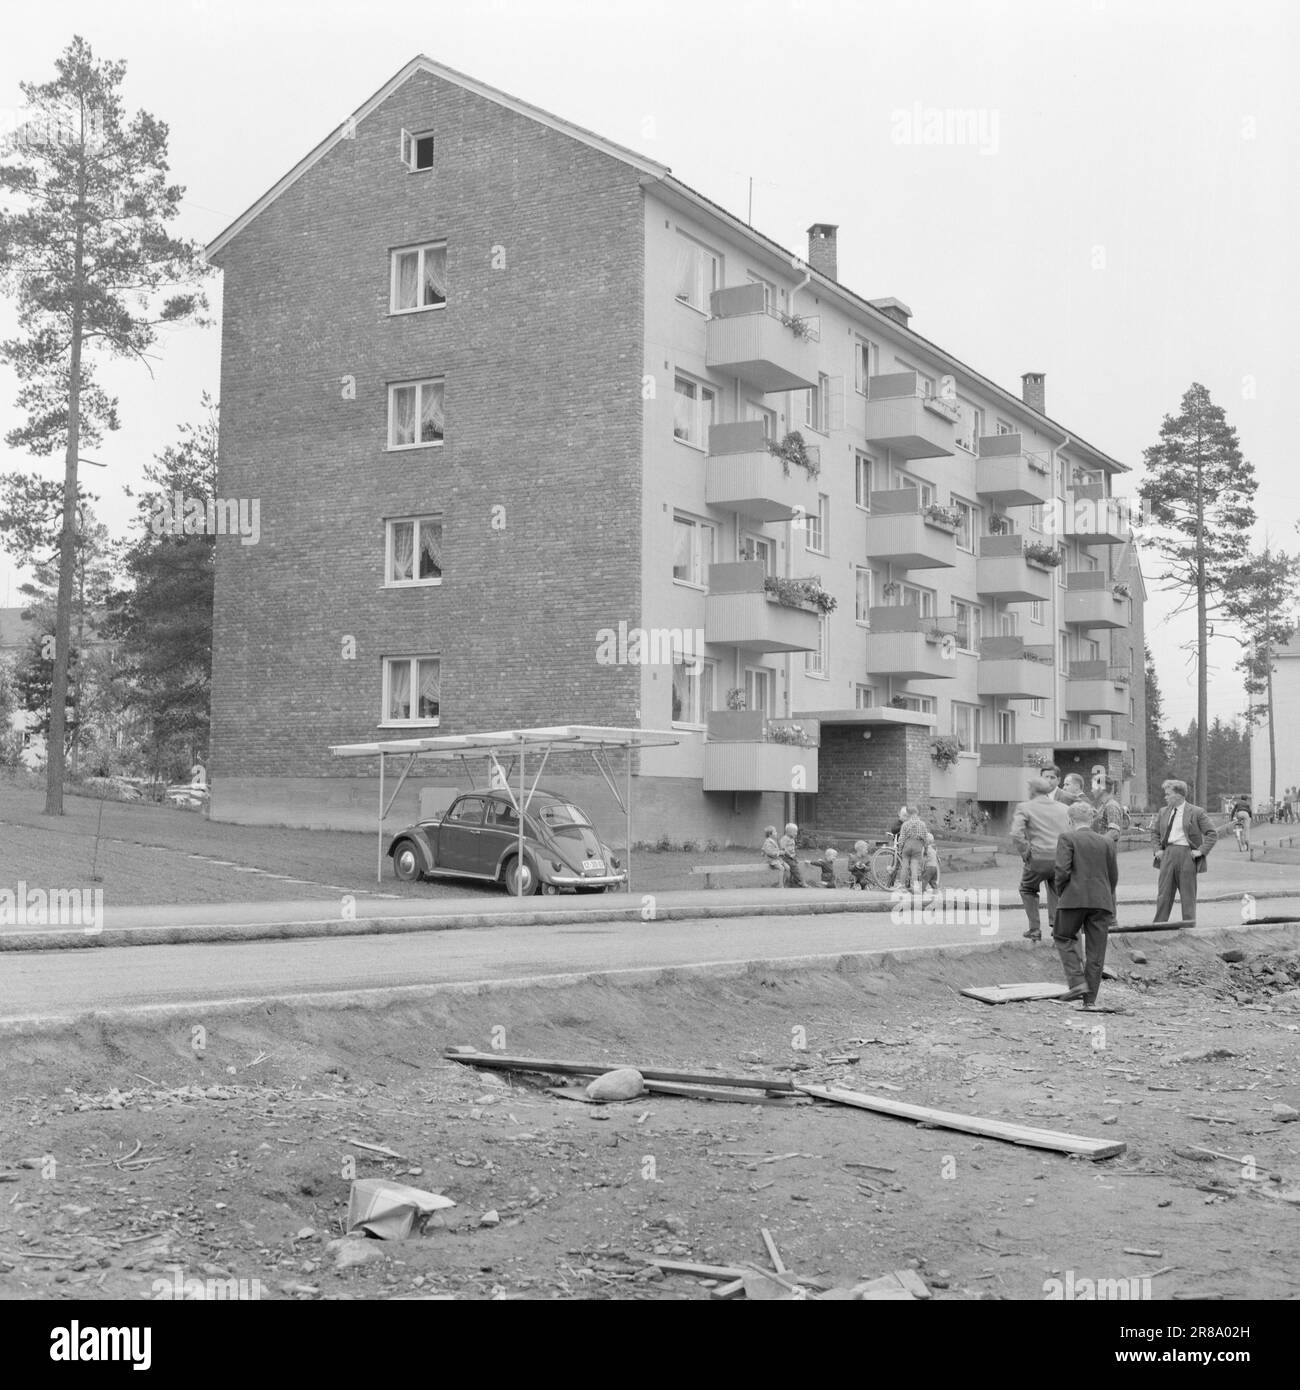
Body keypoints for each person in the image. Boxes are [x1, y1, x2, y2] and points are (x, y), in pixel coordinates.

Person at [1053, 800, 1118, 1006]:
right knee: (1096, 952)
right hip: (1102, 901)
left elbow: (1062, 871)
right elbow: (1113, 875)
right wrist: (1106, 893)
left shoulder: (1067, 838)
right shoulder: (1106, 842)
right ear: (1092, 819)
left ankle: (1077, 982)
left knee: (1063, 936)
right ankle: (1090, 1001)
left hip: (1073, 897)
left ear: (1070, 820)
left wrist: (1063, 892)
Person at [1011, 777, 1073, 941]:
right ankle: (1056, 926)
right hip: (1060, 858)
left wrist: (1025, 852)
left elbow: (1016, 833)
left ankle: (1035, 928)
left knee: (1027, 888)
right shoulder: (1064, 808)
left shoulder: (1024, 807)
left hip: (1038, 858)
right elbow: (1071, 832)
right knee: (1055, 889)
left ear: (1032, 790)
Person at [1151, 780, 1217, 923]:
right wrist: (1157, 850)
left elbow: (1212, 833)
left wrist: (1201, 851)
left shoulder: (1196, 812)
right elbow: (1155, 833)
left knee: (1188, 894)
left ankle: (1188, 926)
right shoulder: (1163, 812)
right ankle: (1158, 927)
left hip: (1187, 855)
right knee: (1163, 894)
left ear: (1179, 795)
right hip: (1167, 854)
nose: (1165, 797)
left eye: (1168, 794)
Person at [897, 807, 929, 892]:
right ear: (917, 813)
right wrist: (926, 849)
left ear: (908, 815)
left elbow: (902, 839)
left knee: (904, 866)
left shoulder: (905, 824)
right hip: (917, 846)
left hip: (907, 845)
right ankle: (914, 886)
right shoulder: (922, 824)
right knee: (914, 867)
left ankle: (902, 886)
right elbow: (926, 838)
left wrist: (900, 849)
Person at [1090, 777, 1125, 845]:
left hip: (1104, 851)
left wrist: (1096, 844)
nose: (1092, 790)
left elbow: (1114, 832)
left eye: (1093, 788)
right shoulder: (1103, 805)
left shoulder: (1111, 806)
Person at [778, 822, 805, 888]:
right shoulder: (784, 839)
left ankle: (793, 882)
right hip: (785, 857)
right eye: (795, 832)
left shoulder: (792, 839)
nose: (796, 833)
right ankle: (801, 881)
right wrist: (789, 855)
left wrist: (794, 855)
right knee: (794, 867)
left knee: (795, 866)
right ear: (789, 832)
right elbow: (783, 848)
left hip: (792, 857)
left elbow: (792, 848)